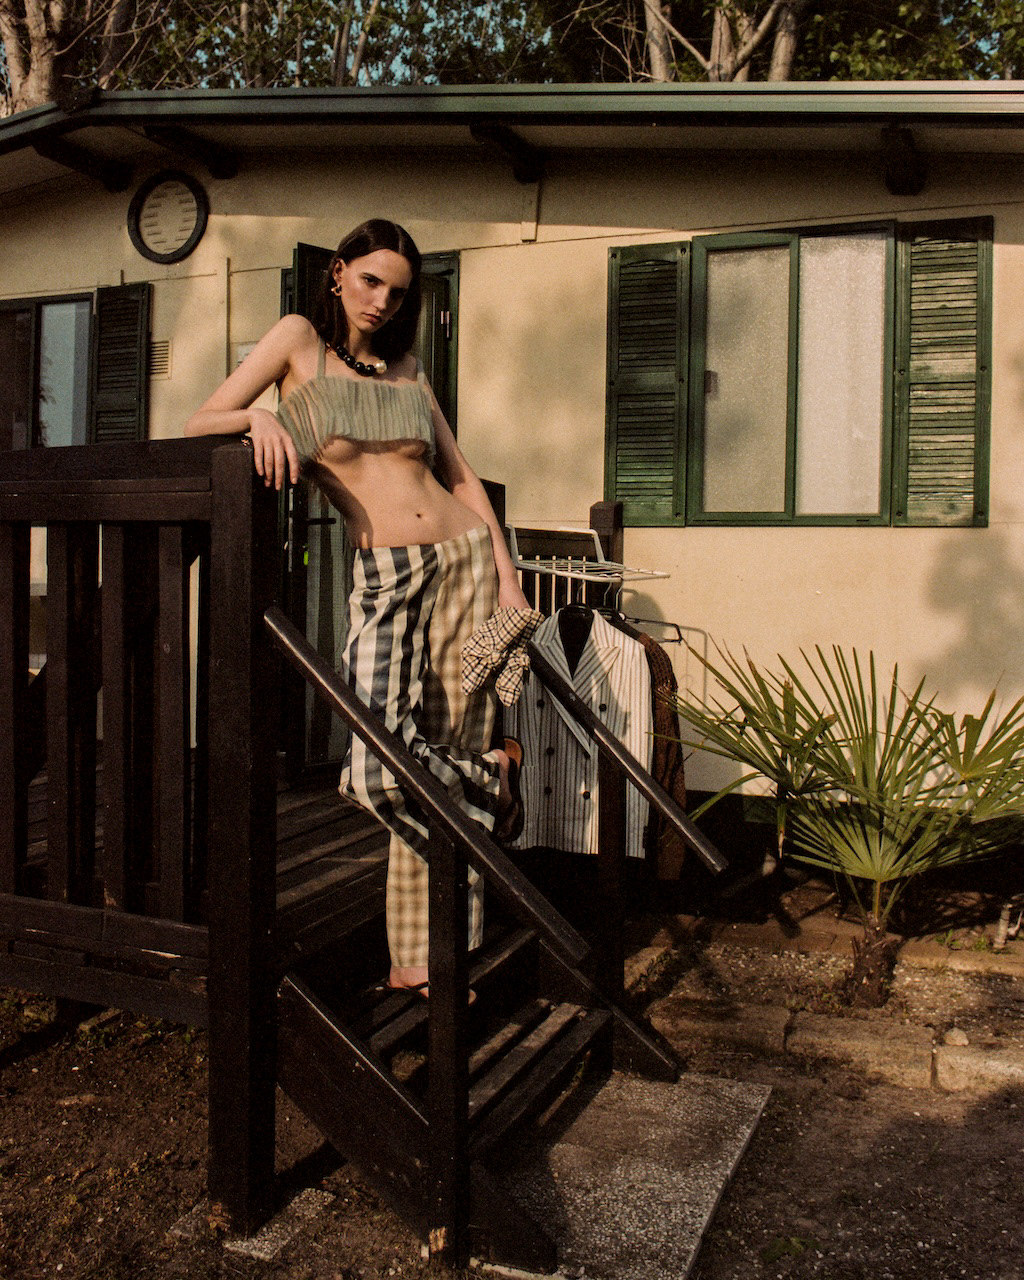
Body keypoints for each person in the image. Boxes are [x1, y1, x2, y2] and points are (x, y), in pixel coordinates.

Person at [185, 218, 529, 995]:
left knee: (444, 737)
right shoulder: (298, 341)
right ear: (338, 272)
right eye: (370, 280)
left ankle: (426, 959)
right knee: (375, 770)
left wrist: (506, 576)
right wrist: (259, 416)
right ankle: (494, 779)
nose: (380, 301)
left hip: (464, 562)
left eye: (397, 293)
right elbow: (198, 421)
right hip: (384, 571)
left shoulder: (408, 370)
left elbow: (461, 477)